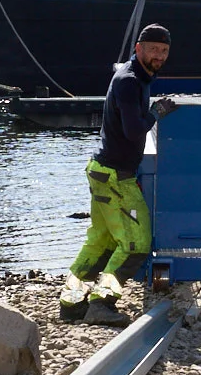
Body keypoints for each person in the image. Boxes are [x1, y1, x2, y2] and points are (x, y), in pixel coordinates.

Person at [61, 23, 175, 323]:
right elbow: (134, 129)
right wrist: (157, 112)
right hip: (115, 177)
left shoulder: (132, 74)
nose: (158, 57)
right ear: (138, 49)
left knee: (101, 241)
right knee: (136, 242)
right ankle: (102, 303)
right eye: (153, 50)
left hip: (100, 170)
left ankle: (71, 303)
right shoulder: (129, 81)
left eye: (163, 52)